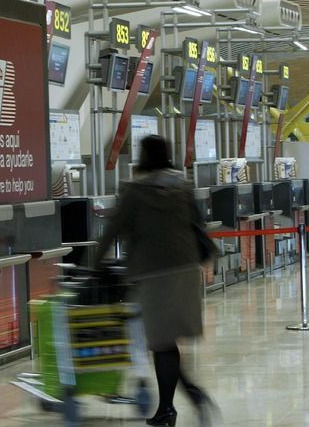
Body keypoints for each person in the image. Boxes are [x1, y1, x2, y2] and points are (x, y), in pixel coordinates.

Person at [95, 135, 218, 426]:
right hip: (186, 270)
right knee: (166, 342)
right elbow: (198, 225)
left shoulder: (134, 191)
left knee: (162, 343)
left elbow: (113, 229)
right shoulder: (183, 187)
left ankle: (175, 405)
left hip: (153, 273)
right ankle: (178, 402)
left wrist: (95, 264)